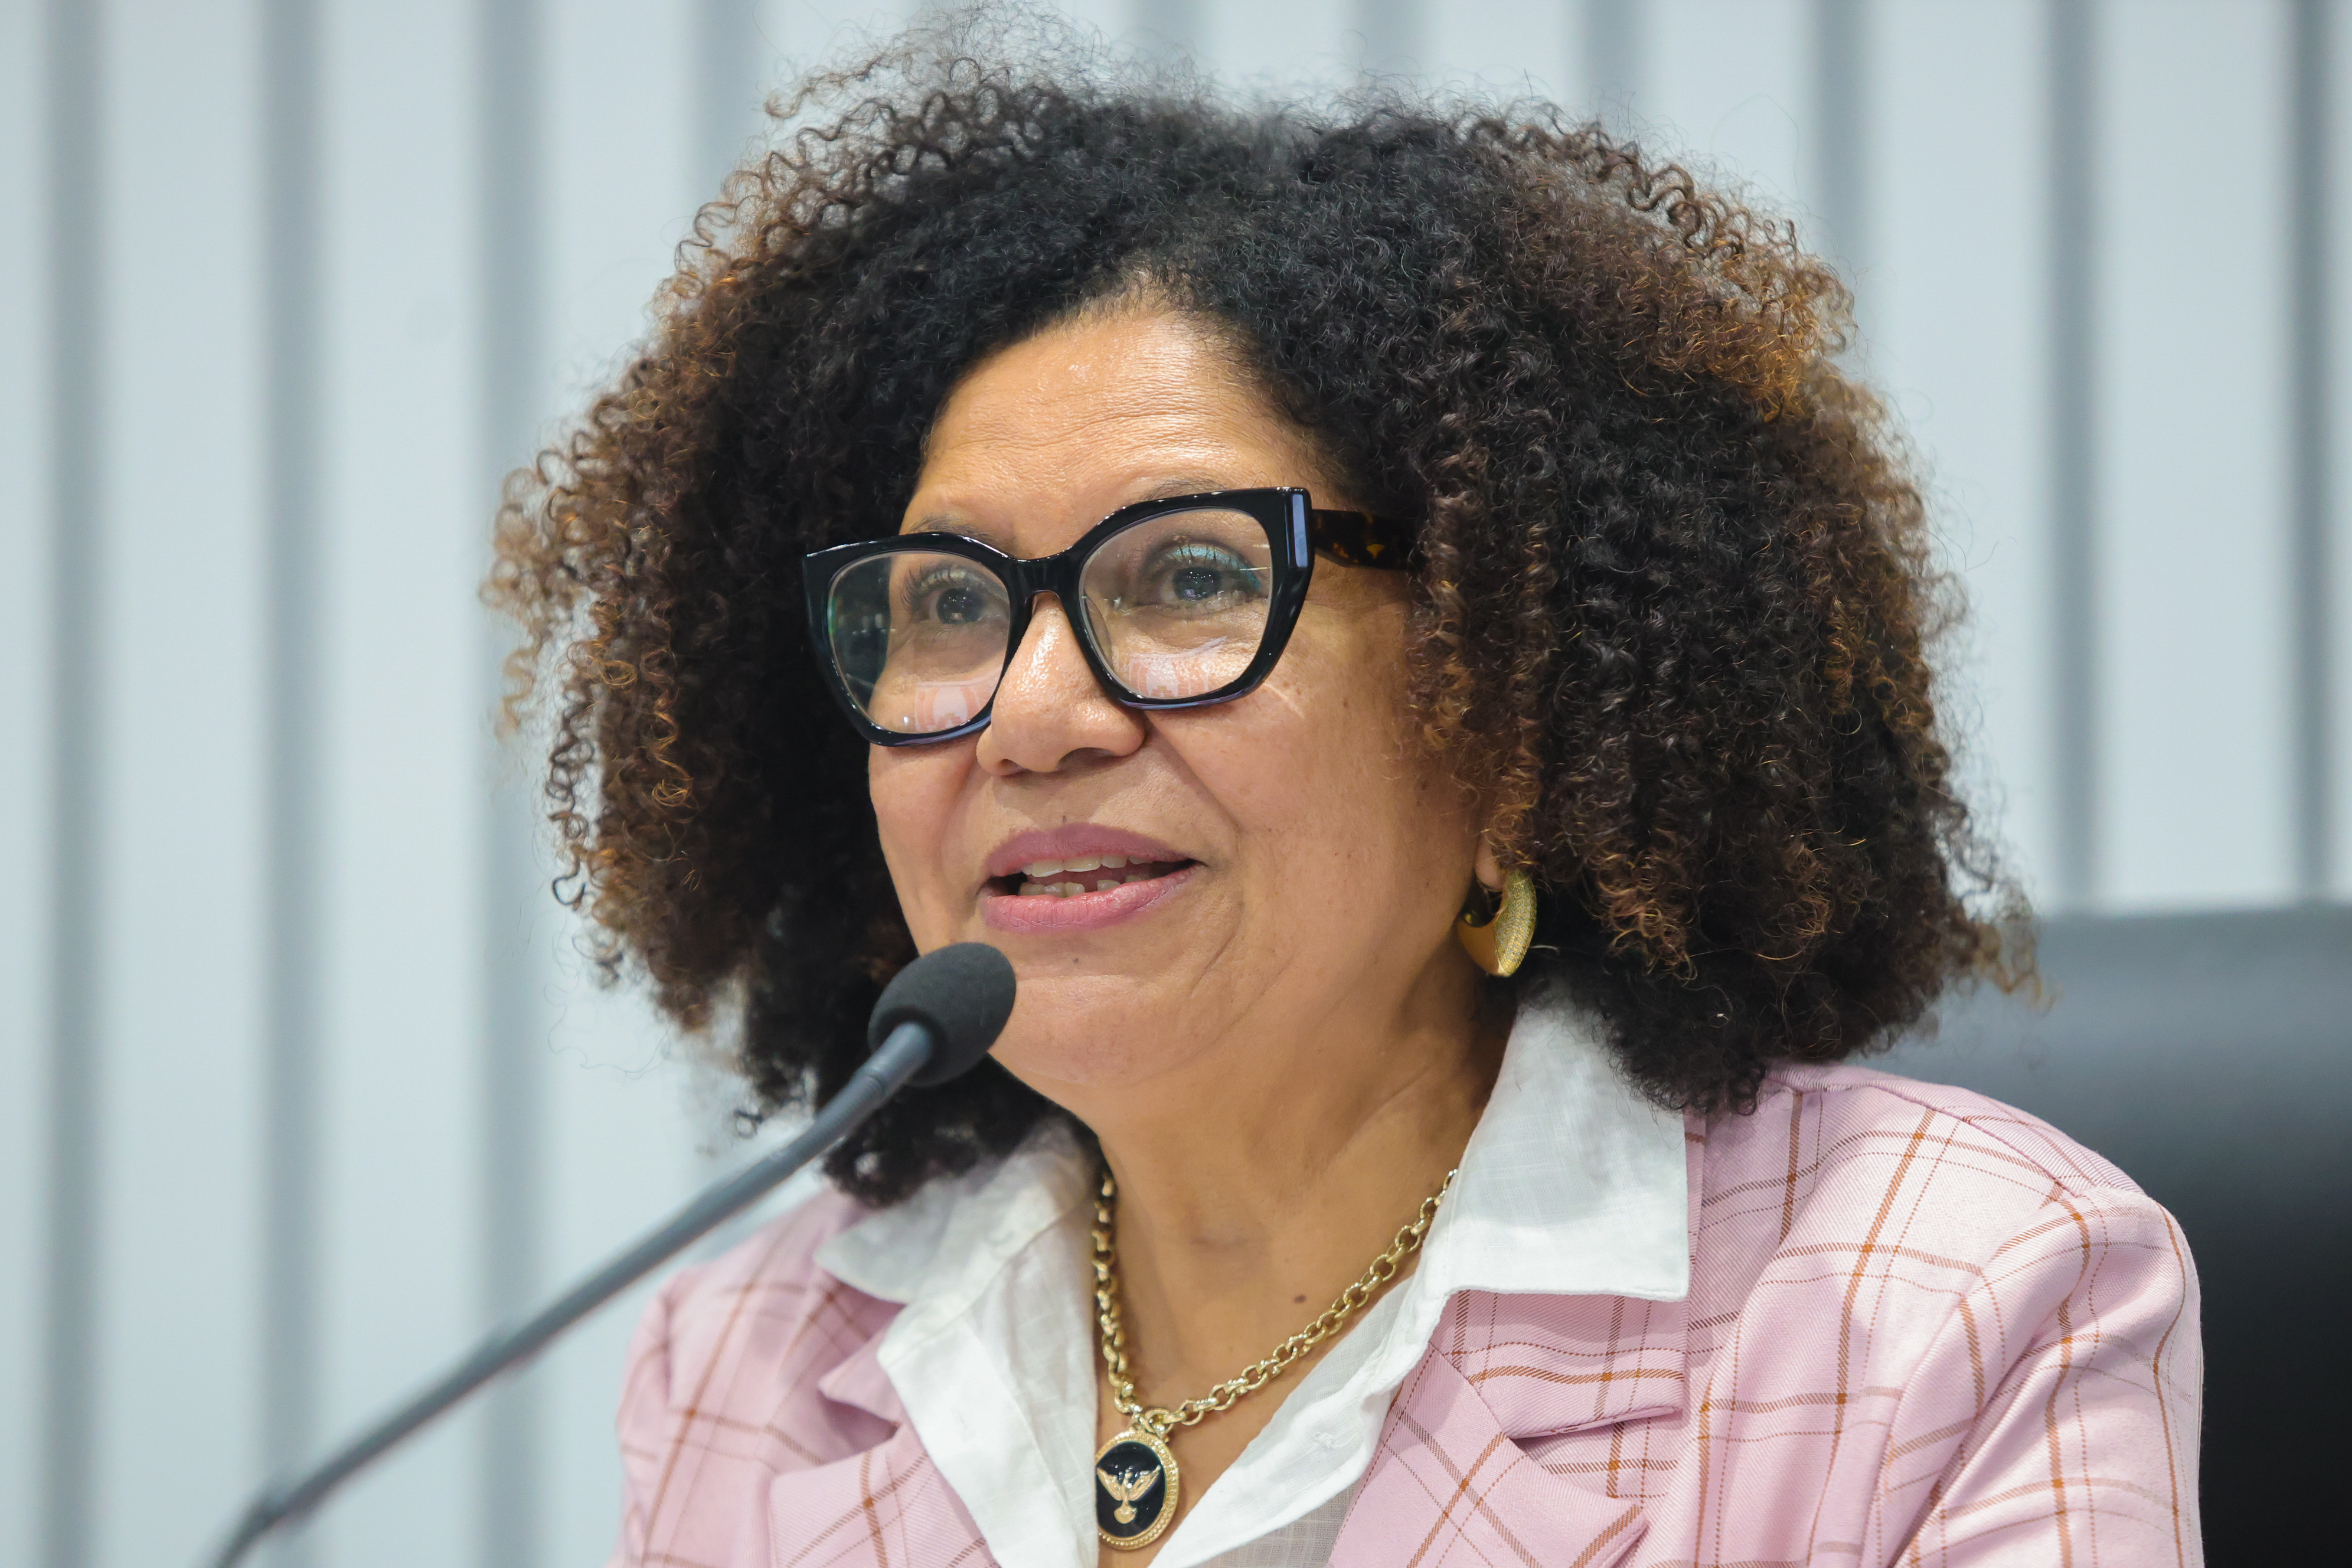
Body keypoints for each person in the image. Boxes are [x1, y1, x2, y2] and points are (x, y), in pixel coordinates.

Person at [491, 32, 2201, 1568]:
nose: (1030, 716)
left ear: (1513, 710)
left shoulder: (1942, 1304)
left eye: (1191, 577)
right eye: (947, 602)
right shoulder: (755, 1364)